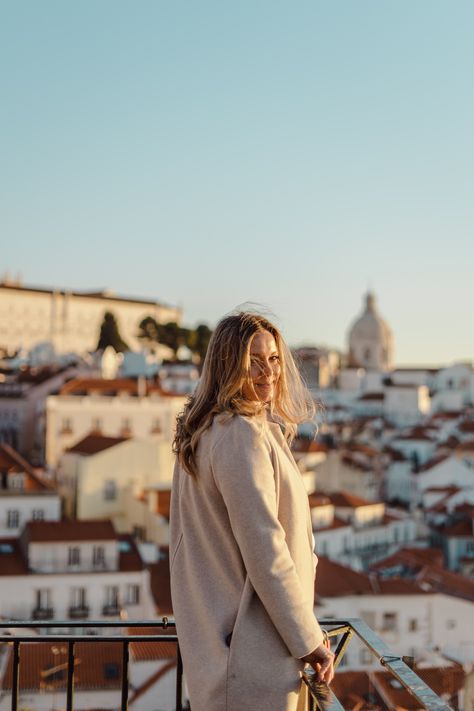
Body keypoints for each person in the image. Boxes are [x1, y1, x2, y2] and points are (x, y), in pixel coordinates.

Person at [170, 312, 334, 711]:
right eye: (254, 360)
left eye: (274, 358)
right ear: (229, 365)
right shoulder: (239, 435)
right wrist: (308, 638)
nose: (268, 371)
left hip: (225, 646)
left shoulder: (209, 431)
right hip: (252, 655)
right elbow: (267, 551)